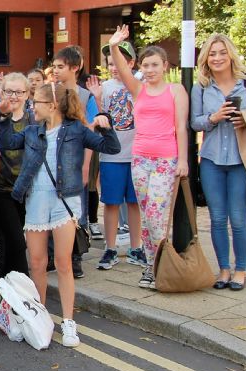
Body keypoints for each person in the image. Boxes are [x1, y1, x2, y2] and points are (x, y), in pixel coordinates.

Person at [1, 82, 120, 347]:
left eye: (37, 103)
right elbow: (8, 141)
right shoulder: (32, 131)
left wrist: (105, 123)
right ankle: (40, 317)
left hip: (64, 201)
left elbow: (111, 148)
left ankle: (68, 322)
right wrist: (5, 114)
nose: (33, 106)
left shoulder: (76, 131)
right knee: (37, 263)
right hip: (35, 201)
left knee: (64, 263)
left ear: (52, 105)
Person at [109, 25, 189, 290]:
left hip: (166, 159)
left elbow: (180, 126)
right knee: (146, 213)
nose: (150, 69)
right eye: (146, 65)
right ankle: (150, 267)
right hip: (140, 158)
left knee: (157, 215)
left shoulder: (176, 91)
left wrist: (183, 160)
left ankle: (158, 264)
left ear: (165, 65)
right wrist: (114, 45)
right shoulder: (138, 89)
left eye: (155, 64)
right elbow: (121, 69)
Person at [191, 33, 246, 291]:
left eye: (222, 52)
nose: (218, 57)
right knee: (217, 218)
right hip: (211, 160)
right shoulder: (201, 86)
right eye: (212, 53)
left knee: (238, 218)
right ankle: (223, 269)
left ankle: (241, 270)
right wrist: (213, 117)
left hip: (242, 160)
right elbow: (195, 122)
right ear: (206, 58)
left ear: (230, 54)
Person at [86, 42, 146, 270]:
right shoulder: (105, 88)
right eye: (109, 63)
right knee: (111, 203)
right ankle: (110, 248)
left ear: (130, 63)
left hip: (136, 154)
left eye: (117, 62)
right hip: (112, 156)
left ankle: (136, 247)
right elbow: (102, 122)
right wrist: (98, 99)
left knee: (134, 203)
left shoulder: (139, 86)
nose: (113, 67)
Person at [50, 46, 100, 278]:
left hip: (75, 160)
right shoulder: (50, 93)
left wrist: (86, 166)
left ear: (75, 67)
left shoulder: (86, 96)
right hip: (52, 160)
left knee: (76, 210)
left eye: (61, 67)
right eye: (55, 66)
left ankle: (75, 256)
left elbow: (89, 132)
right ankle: (54, 253)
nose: (56, 71)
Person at [0, 73, 32, 284]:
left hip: (27, 190)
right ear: (1, 92)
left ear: (27, 94)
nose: (13, 96)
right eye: (9, 91)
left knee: (13, 241)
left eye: (19, 92)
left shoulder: (33, 119)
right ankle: (25, 287)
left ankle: (7, 282)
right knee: (16, 240)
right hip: (0, 189)